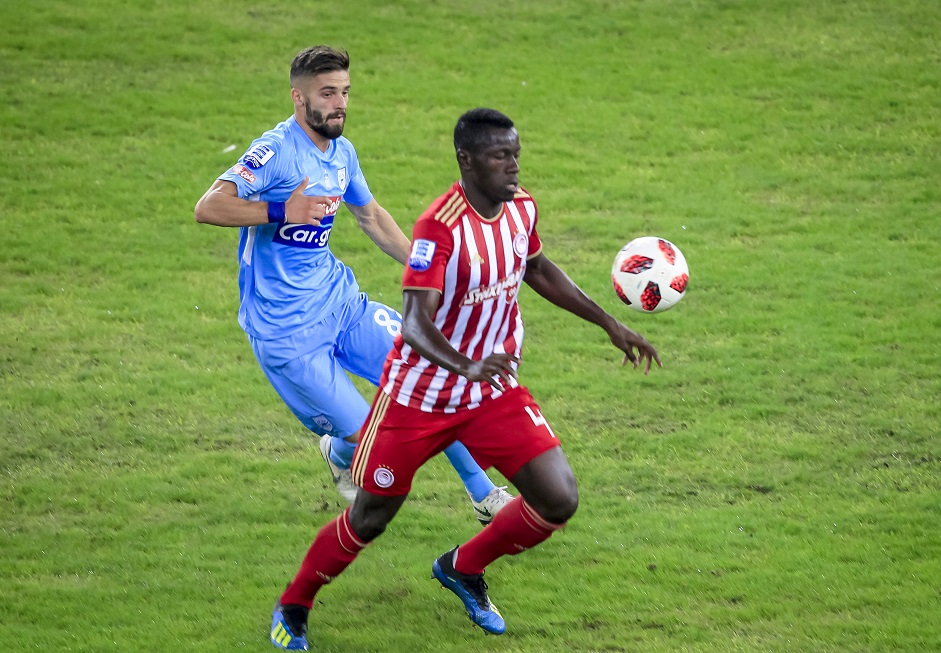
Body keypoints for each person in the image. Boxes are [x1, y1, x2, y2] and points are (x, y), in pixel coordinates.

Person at [268, 107, 661, 651]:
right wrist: (467, 365)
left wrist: (608, 323)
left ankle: (462, 567)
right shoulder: (439, 227)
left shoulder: (521, 208)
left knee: (558, 498)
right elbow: (414, 322)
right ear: (467, 160)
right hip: (418, 397)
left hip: (490, 392)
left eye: (516, 154)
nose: (514, 166)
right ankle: (294, 605)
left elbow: (538, 269)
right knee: (371, 516)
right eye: (501, 156)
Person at [193, 46, 512, 524]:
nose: (339, 103)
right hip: (288, 334)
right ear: (298, 98)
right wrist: (282, 210)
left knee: (432, 376)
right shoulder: (275, 152)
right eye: (327, 93)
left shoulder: (342, 153)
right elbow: (208, 207)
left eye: (344, 92)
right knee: (380, 442)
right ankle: (342, 451)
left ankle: (485, 496)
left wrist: (432, 270)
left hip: (341, 305)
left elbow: (371, 217)